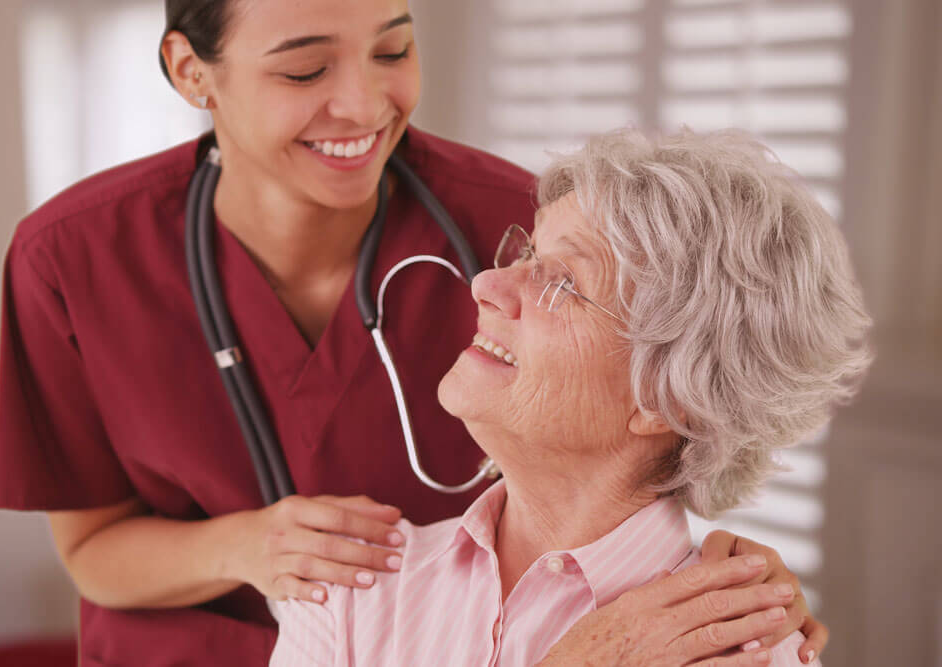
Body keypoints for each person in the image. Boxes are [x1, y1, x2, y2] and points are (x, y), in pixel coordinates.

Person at [0, 1, 825, 664]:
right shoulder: (72, 257)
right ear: (191, 71)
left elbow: (665, 392)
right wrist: (249, 543)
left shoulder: (508, 222)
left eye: (393, 50)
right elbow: (91, 547)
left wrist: (721, 581)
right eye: (305, 67)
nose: (362, 101)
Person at [269, 128, 872, 666]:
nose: (486, 284)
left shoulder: (742, 654)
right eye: (529, 252)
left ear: (664, 397)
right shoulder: (349, 587)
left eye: (562, 283)